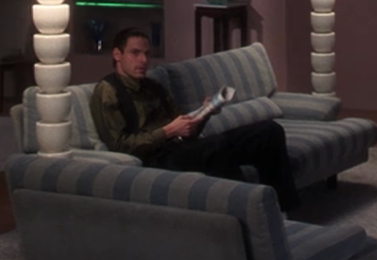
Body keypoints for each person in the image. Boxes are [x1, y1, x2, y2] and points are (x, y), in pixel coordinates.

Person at [89, 27, 300, 212]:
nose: (143, 60)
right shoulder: (109, 91)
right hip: (156, 157)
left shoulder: (153, 86)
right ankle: (247, 211)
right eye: (135, 53)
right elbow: (120, 145)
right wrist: (168, 131)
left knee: (268, 131)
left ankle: (283, 210)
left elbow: (185, 129)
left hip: (182, 146)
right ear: (117, 54)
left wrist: (204, 114)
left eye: (146, 54)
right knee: (216, 147)